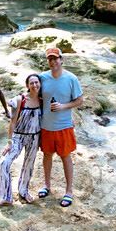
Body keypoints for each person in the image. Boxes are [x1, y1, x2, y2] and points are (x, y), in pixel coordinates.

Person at [37, 46, 83, 207]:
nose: (53, 61)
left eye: (55, 58)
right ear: (47, 61)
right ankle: (47, 185)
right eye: (50, 59)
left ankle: (69, 191)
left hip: (64, 126)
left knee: (65, 157)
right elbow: (34, 94)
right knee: (47, 155)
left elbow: (79, 101)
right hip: (46, 126)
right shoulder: (42, 78)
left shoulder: (71, 79)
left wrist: (63, 106)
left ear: (61, 60)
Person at [0, 73, 44, 207]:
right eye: (31, 83)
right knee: (4, 162)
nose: (34, 85)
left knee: (29, 165)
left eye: (36, 82)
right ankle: (6, 197)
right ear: (27, 85)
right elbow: (13, 122)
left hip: (35, 137)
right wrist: (9, 142)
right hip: (18, 136)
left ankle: (23, 191)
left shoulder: (42, 99)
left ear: (40, 84)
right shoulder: (21, 100)